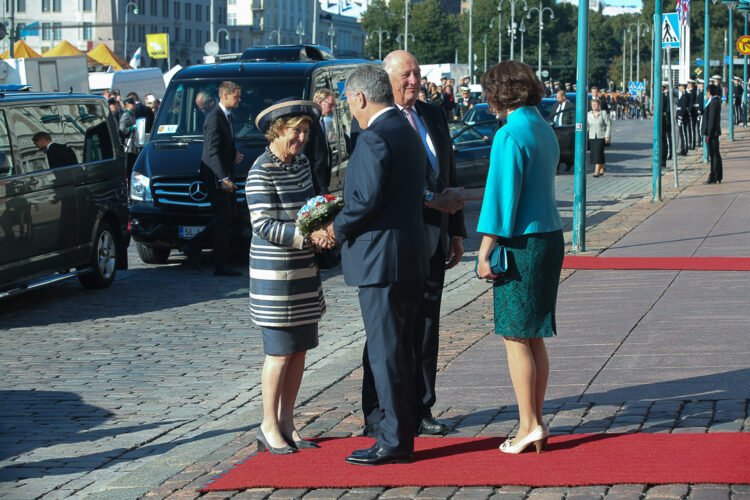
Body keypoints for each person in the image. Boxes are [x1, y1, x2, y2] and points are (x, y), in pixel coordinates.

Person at [326, 63, 427, 466]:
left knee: (387, 354)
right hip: (407, 255)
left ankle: (393, 439)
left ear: (361, 98)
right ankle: (402, 431)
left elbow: (364, 200)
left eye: (349, 102)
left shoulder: (374, 138)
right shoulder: (407, 130)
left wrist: (334, 230)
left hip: (379, 260)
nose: (349, 110)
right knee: (402, 350)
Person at [368, 49, 465, 438]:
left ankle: (422, 408)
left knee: (426, 329)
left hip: (434, 240)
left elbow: (449, 172)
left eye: (417, 73)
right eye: (406, 75)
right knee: (389, 331)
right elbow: (384, 183)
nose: (414, 81)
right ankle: (379, 412)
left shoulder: (433, 115)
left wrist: (455, 228)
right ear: (387, 79)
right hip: (394, 242)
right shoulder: (378, 121)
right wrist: (430, 200)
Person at [475, 60, 564, 455]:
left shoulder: (509, 134)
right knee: (535, 334)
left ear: (497, 93)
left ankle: (530, 424)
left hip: (521, 244)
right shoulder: (542, 127)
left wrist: (484, 252)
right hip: (549, 236)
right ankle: (535, 420)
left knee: (515, 335)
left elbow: (501, 198)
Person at [247, 98, 331, 455]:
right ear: (277, 131)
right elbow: (262, 224)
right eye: (295, 130)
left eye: (306, 131)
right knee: (279, 353)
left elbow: (311, 206)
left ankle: (287, 422)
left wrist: (325, 223)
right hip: (275, 277)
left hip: (303, 272)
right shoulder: (260, 170)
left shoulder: (301, 164)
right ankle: (267, 424)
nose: (301, 137)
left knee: (299, 351)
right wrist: (307, 235)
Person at [181, 81, 244, 276]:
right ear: (225, 96)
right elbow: (211, 152)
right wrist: (223, 178)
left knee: (226, 217)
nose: (239, 100)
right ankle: (215, 260)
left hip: (223, 173)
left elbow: (223, 144)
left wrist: (234, 153)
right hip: (215, 176)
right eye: (236, 96)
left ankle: (199, 249)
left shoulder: (226, 116)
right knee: (223, 219)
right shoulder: (215, 118)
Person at [303, 88, 335, 195]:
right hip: (314, 181)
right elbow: (304, 153)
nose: (333, 108)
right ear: (320, 102)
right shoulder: (310, 123)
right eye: (330, 105)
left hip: (323, 179)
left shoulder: (321, 121)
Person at [701, 83, 722, 184]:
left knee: (713, 155)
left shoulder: (714, 102)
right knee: (714, 154)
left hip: (712, 133)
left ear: (710, 92)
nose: (706, 93)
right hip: (712, 132)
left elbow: (711, 120)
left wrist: (708, 134)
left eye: (707, 91)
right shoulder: (713, 101)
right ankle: (717, 175)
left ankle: (714, 176)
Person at [587, 97, 611, 177]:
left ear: (599, 105)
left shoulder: (603, 113)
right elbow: (587, 126)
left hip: (601, 135)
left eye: (595, 104)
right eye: (592, 104)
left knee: (598, 152)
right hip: (592, 136)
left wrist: (607, 136)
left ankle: (596, 171)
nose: (594, 106)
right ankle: (602, 167)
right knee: (595, 153)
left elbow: (608, 125)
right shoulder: (589, 114)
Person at [119, 97, 138, 180]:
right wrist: (131, 128)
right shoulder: (126, 115)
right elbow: (122, 129)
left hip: (134, 143)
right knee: (130, 164)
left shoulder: (132, 114)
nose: (134, 105)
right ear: (127, 105)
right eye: (132, 103)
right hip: (128, 144)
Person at [676, 83, 689, 156]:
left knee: (683, 134)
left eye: (679, 86)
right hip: (680, 116)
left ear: (683, 87)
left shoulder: (685, 95)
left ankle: (685, 149)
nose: (678, 87)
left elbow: (683, 107)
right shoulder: (683, 95)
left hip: (683, 117)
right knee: (681, 134)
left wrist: (681, 116)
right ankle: (682, 148)